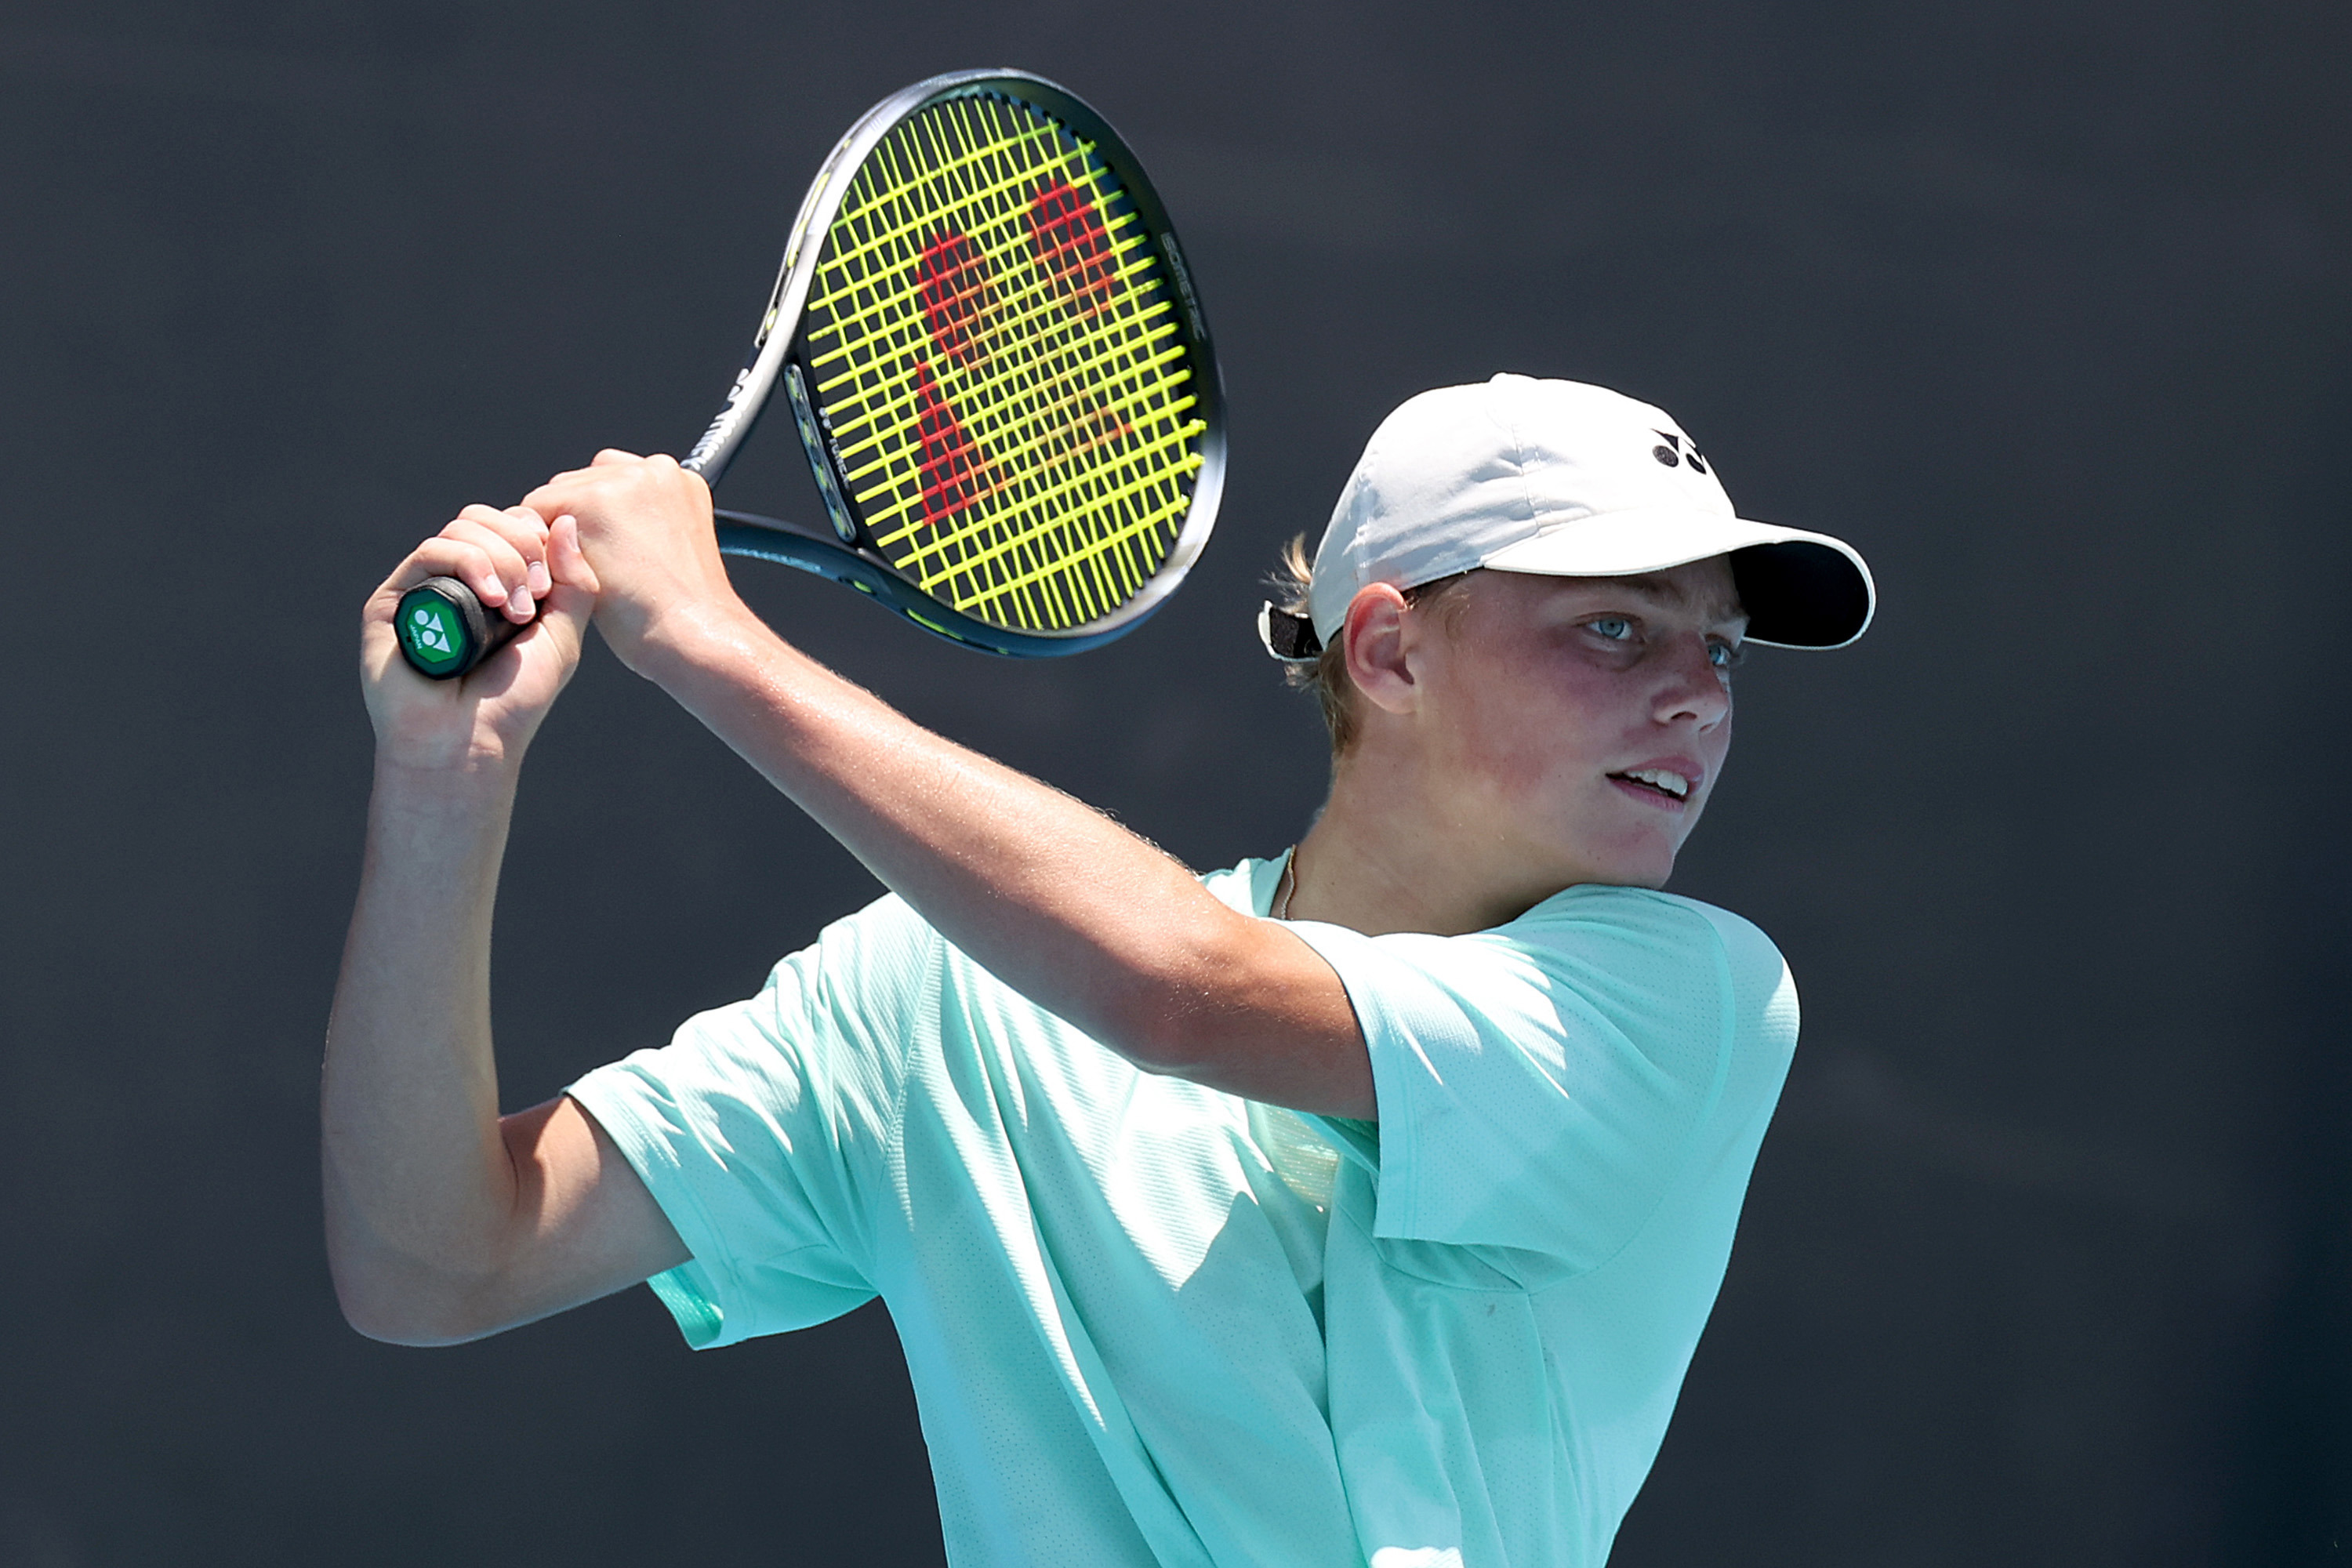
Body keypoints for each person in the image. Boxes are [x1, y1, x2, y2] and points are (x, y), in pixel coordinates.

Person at [324, 372, 1874, 1567]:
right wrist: (446, 784)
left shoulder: (1697, 1004)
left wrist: (706, 640)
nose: (1696, 702)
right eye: (1619, 630)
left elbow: (1178, 993)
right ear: (1391, 656)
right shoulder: (933, 1003)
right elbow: (437, 1261)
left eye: (1719, 652)